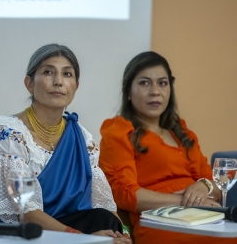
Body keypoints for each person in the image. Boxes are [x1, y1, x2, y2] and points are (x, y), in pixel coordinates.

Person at [0, 44, 131, 243]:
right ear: (29, 84)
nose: (58, 82)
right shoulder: (10, 133)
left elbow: (104, 204)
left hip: (60, 228)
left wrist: (124, 233)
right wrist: (85, 240)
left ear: (76, 86)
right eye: (48, 72)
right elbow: (26, 211)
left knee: (105, 219)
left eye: (67, 74)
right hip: (17, 234)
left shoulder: (82, 137)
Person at [99, 51, 235, 243]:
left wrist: (203, 186)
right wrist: (186, 201)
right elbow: (125, 195)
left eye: (162, 83)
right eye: (144, 83)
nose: (155, 91)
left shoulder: (183, 134)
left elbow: (217, 186)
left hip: (203, 218)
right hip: (160, 222)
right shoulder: (119, 132)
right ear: (128, 92)